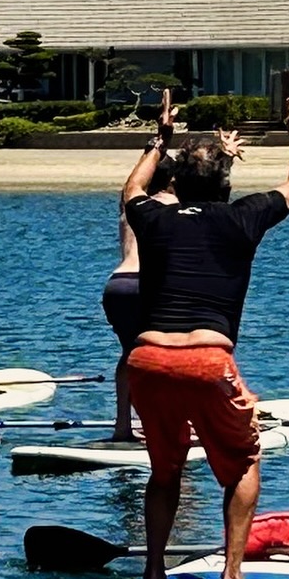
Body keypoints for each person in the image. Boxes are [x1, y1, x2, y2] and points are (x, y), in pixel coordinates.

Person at [122, 86, 289, 579]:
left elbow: (131, 191)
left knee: (165, 472)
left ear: (178, 185)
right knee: (244, 463)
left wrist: (158, 143)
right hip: (207, 361)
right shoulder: (241, 217)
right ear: (226, 184)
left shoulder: (156, 218)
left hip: (146, 361)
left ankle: (154, 578)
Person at [101, 151, 177, 440]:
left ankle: (123, 426)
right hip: (147, 285)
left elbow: (131, 183)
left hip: (117, 284)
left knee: (129, 355)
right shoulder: (170, 203)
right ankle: (167, 424)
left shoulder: (128, 205)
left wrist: (154, 146)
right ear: (171, 180)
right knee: (165, 356)